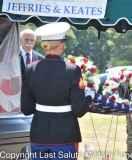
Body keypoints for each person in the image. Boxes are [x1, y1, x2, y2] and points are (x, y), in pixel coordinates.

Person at [21, 22, 95, 160]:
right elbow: (79, 110)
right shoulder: (72, 70)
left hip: (39, 134)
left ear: (44, 46)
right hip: (65, 135)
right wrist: (90, 98)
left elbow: (26, 108)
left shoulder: (30, 69)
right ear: (62, 45)